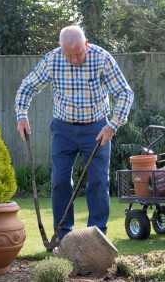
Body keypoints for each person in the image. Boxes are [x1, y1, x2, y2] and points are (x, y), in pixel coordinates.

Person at [15, 25, 134, 240]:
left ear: (86, 44)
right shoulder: (52, 60)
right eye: (69, 55)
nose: (75, 60)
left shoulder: (102, 58)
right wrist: (21, 116)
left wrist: (112, 125)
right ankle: (63, 235)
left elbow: (124, 93)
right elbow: (28, 87)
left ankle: (95, 235)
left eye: (79, 54)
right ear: (61, 49)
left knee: (98, 181)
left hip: (97, 129)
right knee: (60, 181)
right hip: (63, 129)